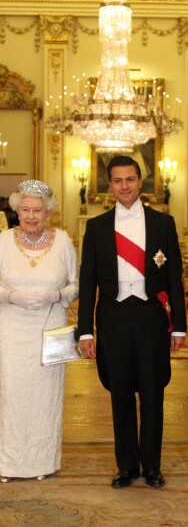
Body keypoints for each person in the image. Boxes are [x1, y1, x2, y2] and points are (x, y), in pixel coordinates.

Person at [77, 155, 187, 489]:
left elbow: (174, 277)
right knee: (120, 393)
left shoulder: (162, 224)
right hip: (112, 317)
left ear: (141, 182)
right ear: (110, 185)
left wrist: (179, 325)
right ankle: (127, 466)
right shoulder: (96, 227)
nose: (124, 186)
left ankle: (152, 466)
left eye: (130, 179)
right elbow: (87, 282)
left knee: (153, 394)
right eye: (117, 181)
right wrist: (84, 331)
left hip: (151, 316)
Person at [0, 180, 78, 482]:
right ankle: (7, 463)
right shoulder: (3, 241)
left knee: (45, 397)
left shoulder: (63, 241)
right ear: (17, 210)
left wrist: (57, 296)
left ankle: (42, 462)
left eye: (38, 210)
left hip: (51, 329)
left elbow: (75, 284)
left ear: (49, 212)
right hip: (10, 329)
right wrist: (10, 296)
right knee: (10, 396)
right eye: (25, 210)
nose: (31, 216)